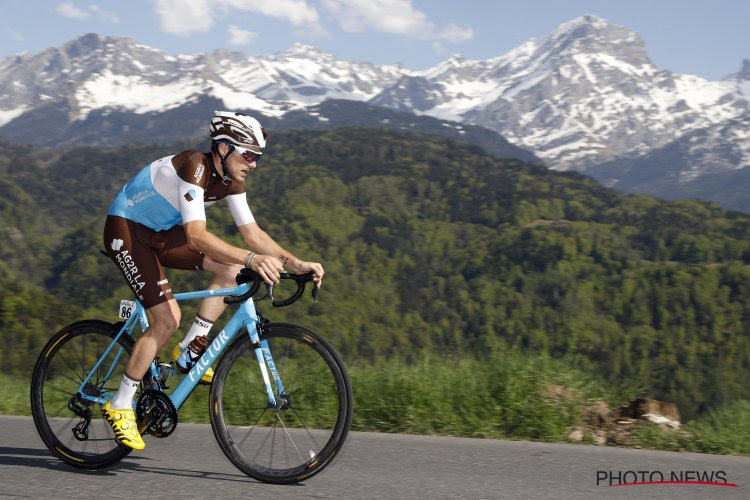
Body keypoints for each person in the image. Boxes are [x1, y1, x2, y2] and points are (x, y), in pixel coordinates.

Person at [101, 111, 324, 450]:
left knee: (230, 271)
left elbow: (252, 233)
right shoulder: (195, 166)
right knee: (167, 318)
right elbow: (196, 237)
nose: (253, 163)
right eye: (248, 154)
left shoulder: (232, 180)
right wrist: (252, 259)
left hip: (160, 233)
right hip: (127, 230)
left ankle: (191, 348)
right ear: (223, 148)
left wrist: (294, 262)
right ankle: (120, 403)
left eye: (257, 157)